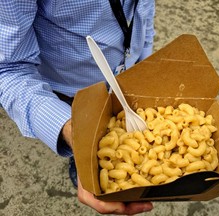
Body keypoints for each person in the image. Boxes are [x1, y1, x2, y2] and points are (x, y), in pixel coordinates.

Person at [0, 0, 155, 214]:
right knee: (86, 143)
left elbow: (143, 9)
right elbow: (8, 69)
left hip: (129, 73)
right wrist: (71, 130)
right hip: (72, 90)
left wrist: (145, 59)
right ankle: (76, 155)